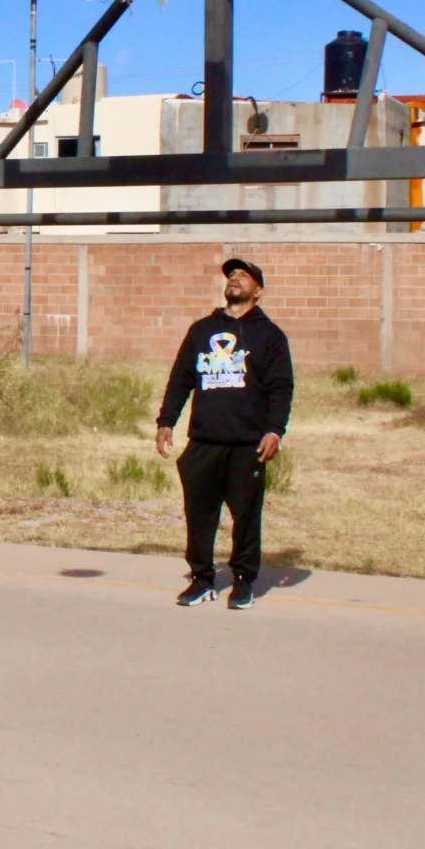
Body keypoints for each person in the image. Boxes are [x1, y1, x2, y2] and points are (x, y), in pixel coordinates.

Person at [154, 257, 294, 611]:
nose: (234, 279)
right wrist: (166, 421)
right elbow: (181, 377)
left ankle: (244, 581)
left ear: (258, 291)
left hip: (247, 444)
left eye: (243, 276)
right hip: (204, 441)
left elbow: (281, 388)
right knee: (199, 514)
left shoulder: (270, 336)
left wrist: (274, 431)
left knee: (246, 516)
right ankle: (202, 579)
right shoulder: (201, 330)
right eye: (231, 275)